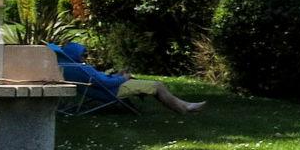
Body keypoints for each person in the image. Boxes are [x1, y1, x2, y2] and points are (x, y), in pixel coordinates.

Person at [49, 41, 204, 115]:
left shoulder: (69, 69)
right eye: (83, 54)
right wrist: (123, 78)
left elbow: (99, 80)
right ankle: (184, 108)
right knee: (157, 85)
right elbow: (104, 83)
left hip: (106, 89)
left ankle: (185, 105)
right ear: (75, 54)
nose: (85, 56)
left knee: (147, 83)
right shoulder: (81, 68)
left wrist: (116, 75)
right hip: (113, 91)